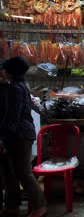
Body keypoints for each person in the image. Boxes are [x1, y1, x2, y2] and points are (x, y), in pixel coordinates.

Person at [0, 57, 46, 217]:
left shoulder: (15, 88)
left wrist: (3, 135)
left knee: (22, 172)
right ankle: (12, 205)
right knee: (8, 171)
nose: (3, 71)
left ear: (10, 71)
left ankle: (40, 206)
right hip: (16, 133)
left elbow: (13, 115)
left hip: (19, 134)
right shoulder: (18, 86)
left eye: (4, 69)